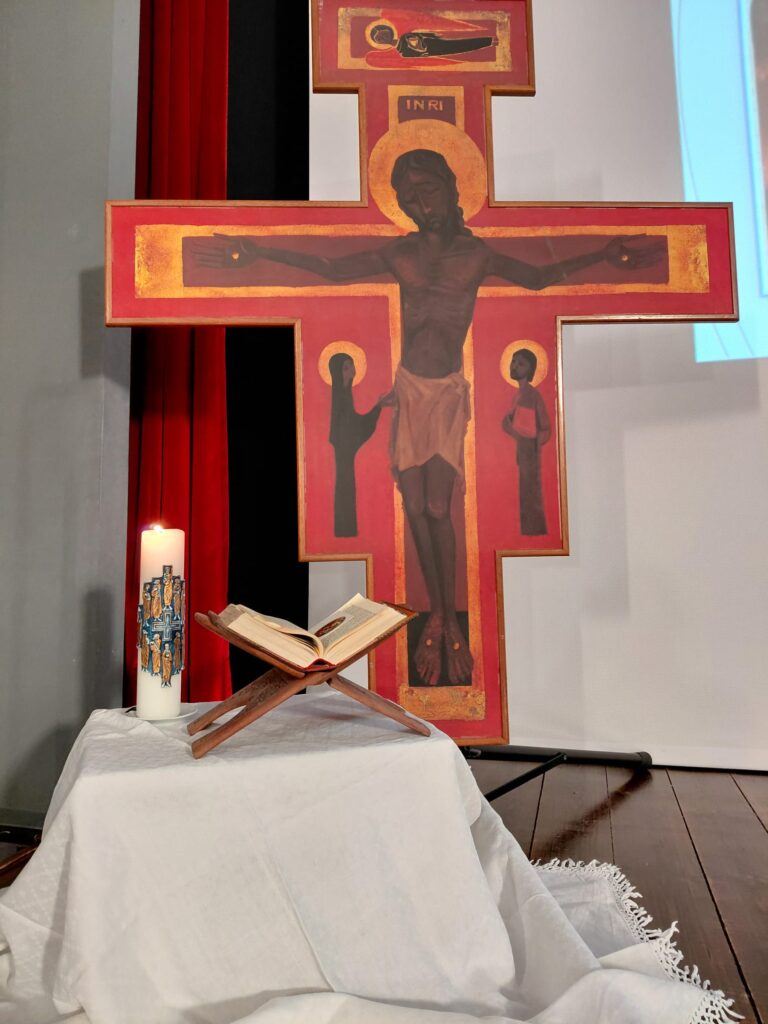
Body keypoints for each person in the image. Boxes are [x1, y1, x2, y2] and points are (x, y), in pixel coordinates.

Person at [193, 149, 663, 686]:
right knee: (415, 505)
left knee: (440, 505)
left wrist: (602, 255)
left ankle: (446, 615)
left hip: (445, 393)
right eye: (408, 198)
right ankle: (438, 616)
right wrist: (259, 250)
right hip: (410, 387)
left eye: (427, 191)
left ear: (451, 186)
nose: (420, 205)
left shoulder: (476, 255)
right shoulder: (402, 252)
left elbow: (538, 277)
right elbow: (332, 269)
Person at [328, 352, 386, 537]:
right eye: (346, 367)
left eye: (352, 365)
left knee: (347, 484)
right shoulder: (340, 395)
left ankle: (345, 529)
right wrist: (377, 408)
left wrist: (377, 407)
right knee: (345, 484)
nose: (351, 370)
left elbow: (353, 424)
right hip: (343, 447)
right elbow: (349, 426)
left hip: (345, 445)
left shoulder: (345, 393)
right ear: (337, 373)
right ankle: (345, 530)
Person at [502, 349, 550, 535]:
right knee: (523, 494)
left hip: (529, 452)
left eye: (521, 363)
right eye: (513, 361)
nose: (514, 366)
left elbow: (544, 428)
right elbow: (513, 423)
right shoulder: (520, 394)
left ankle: (534, 532)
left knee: (530, 494)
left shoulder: (532, 395)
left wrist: (532, 444)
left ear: (531, 370)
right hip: (522, 451)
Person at [369, 23, 495, 59]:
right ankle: (489, 42)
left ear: (389, 31)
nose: (383, 38)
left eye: (384, 34)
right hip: (436, 52)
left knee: (460, 45)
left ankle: (490, 41)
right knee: (460, 48)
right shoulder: (402, 53)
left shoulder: (405, 38)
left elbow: (421, 45)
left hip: (437, 44)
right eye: (379, 39)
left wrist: (423, 47)